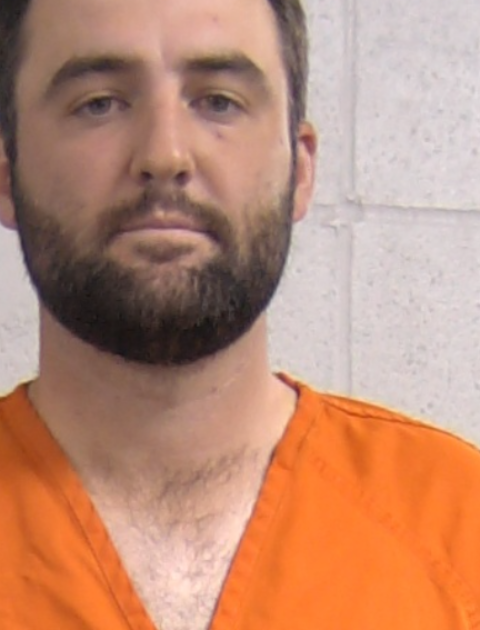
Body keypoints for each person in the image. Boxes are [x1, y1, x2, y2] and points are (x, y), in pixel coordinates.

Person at [1, 0, 480, 628]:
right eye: (100, 103)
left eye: (219, 101)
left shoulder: (460, 530)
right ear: (6, 173)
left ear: (300, 170)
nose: (165, 153)